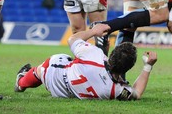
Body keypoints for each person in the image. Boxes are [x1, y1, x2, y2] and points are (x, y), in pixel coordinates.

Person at [14, 23, 157, 100]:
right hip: (63, 93)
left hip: (54, 76)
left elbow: (72, 39)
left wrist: (94, 31)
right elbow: (137, 92)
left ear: (113, 53)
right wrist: (147, 66)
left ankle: (21, 83)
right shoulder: (116, 90)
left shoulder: (95, 54)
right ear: (128, 68)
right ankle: (23, 79)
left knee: (46, 67)